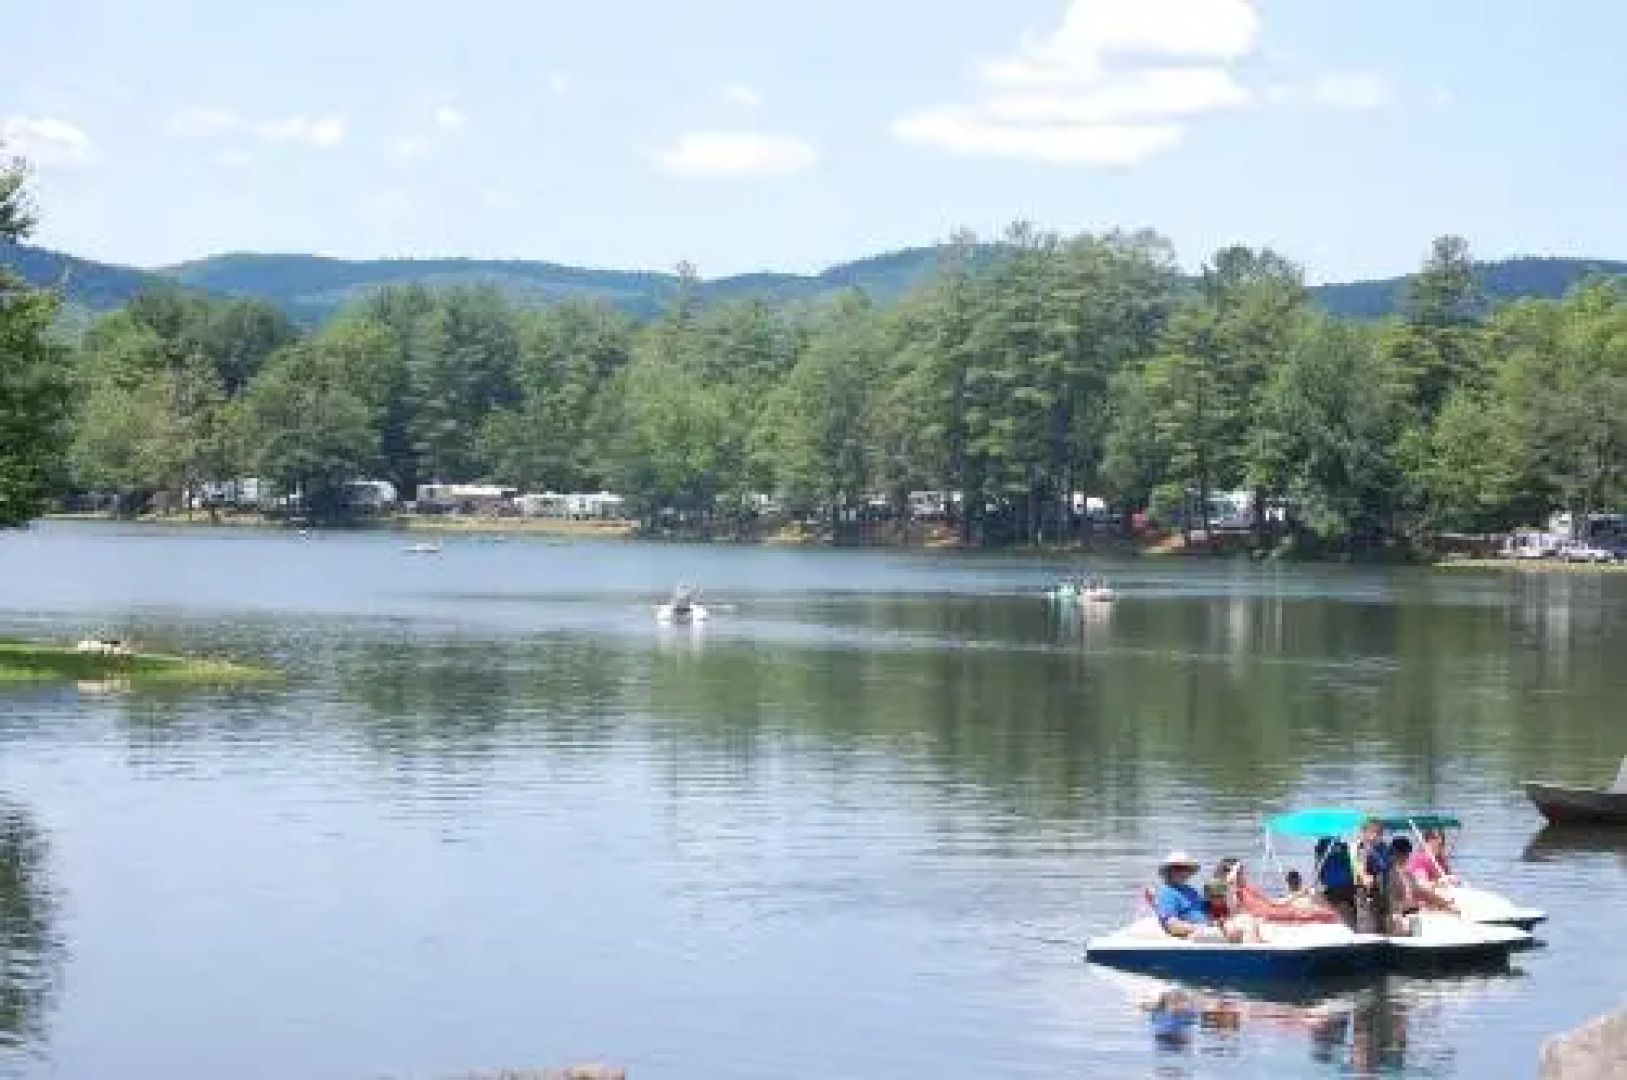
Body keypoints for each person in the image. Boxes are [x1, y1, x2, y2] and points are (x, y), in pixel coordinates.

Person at [1153, 851, 1244, 942]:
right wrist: (1200, 928)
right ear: (1168, 871)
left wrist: (1219, 921)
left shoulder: (1191, 891)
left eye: (1185, 869)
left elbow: (1208, 909)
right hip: (1193, 933)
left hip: (1208, 927)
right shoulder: (1167, 892)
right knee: (1233, 932)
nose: (1182, 872)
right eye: (1177, 869)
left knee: (1243, 922)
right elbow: (1170, 923)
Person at [1355, 818, 1393, 934]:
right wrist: (1365, 876)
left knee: (1384, 920)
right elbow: (1360, 865)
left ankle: (1384, 933)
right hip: (1367, 892)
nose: (1375, 836)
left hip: (1384, 890)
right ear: (1364, 833)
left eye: (1378, 833)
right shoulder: (1362, 848)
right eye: (1372, 832)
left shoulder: (1383, 847)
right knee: (1368, 922)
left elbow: (1389, 866)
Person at [1316, 837, 1358, 929]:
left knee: (1335, 915)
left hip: (1334, 888)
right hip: (1347, 886)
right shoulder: (1344, 850)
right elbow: (1352, 867)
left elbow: (1320, 875)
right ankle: (1353, 927)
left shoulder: (1321, 853)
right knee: (1351, 913)